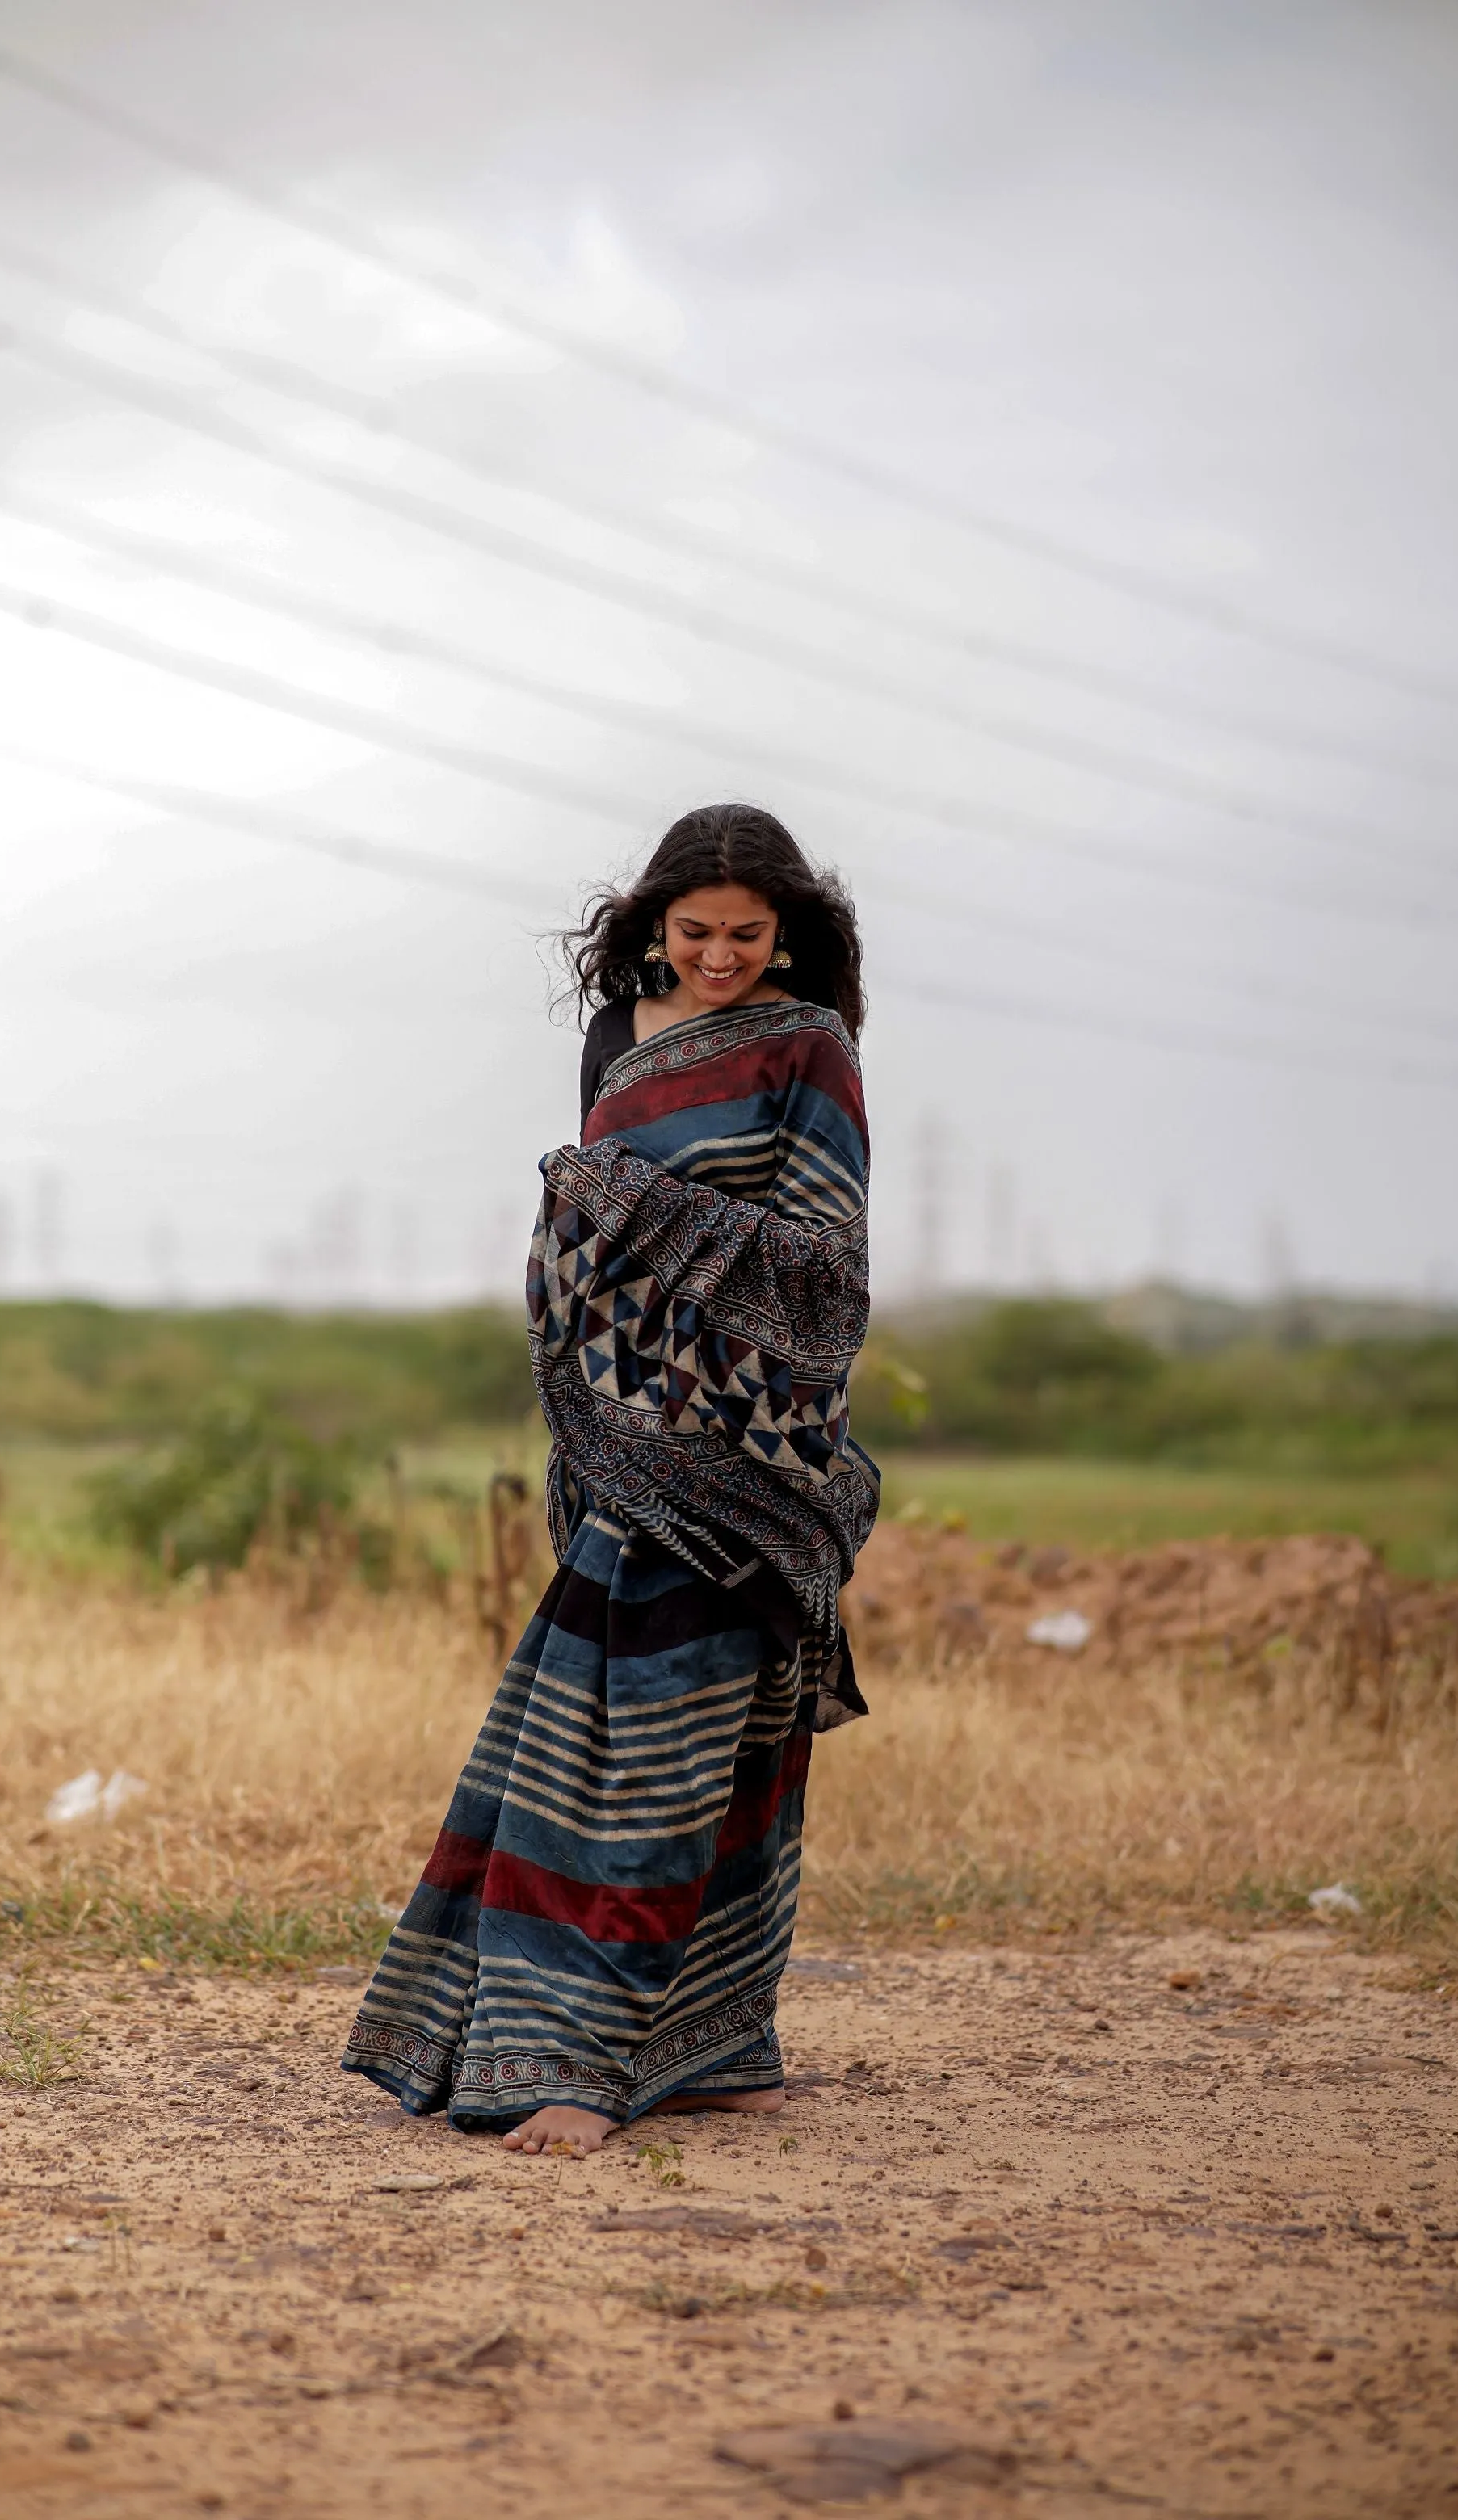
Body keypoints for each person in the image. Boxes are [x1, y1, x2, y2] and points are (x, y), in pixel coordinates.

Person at [341, 802, 879, 2155]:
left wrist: (626, 1204)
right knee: (623, 1742)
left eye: (748, 936)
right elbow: (591, 1215)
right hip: (616, 1447)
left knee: (664, 1757)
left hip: (741, 1464)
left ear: (788, 932)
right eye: (694, 933)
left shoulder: (808, 1047)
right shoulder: (611, 1037)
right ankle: (717, 2053)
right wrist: (588, 1224)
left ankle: (576, 2064)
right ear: (649, 925)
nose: (720, 958)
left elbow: (824, 1268)